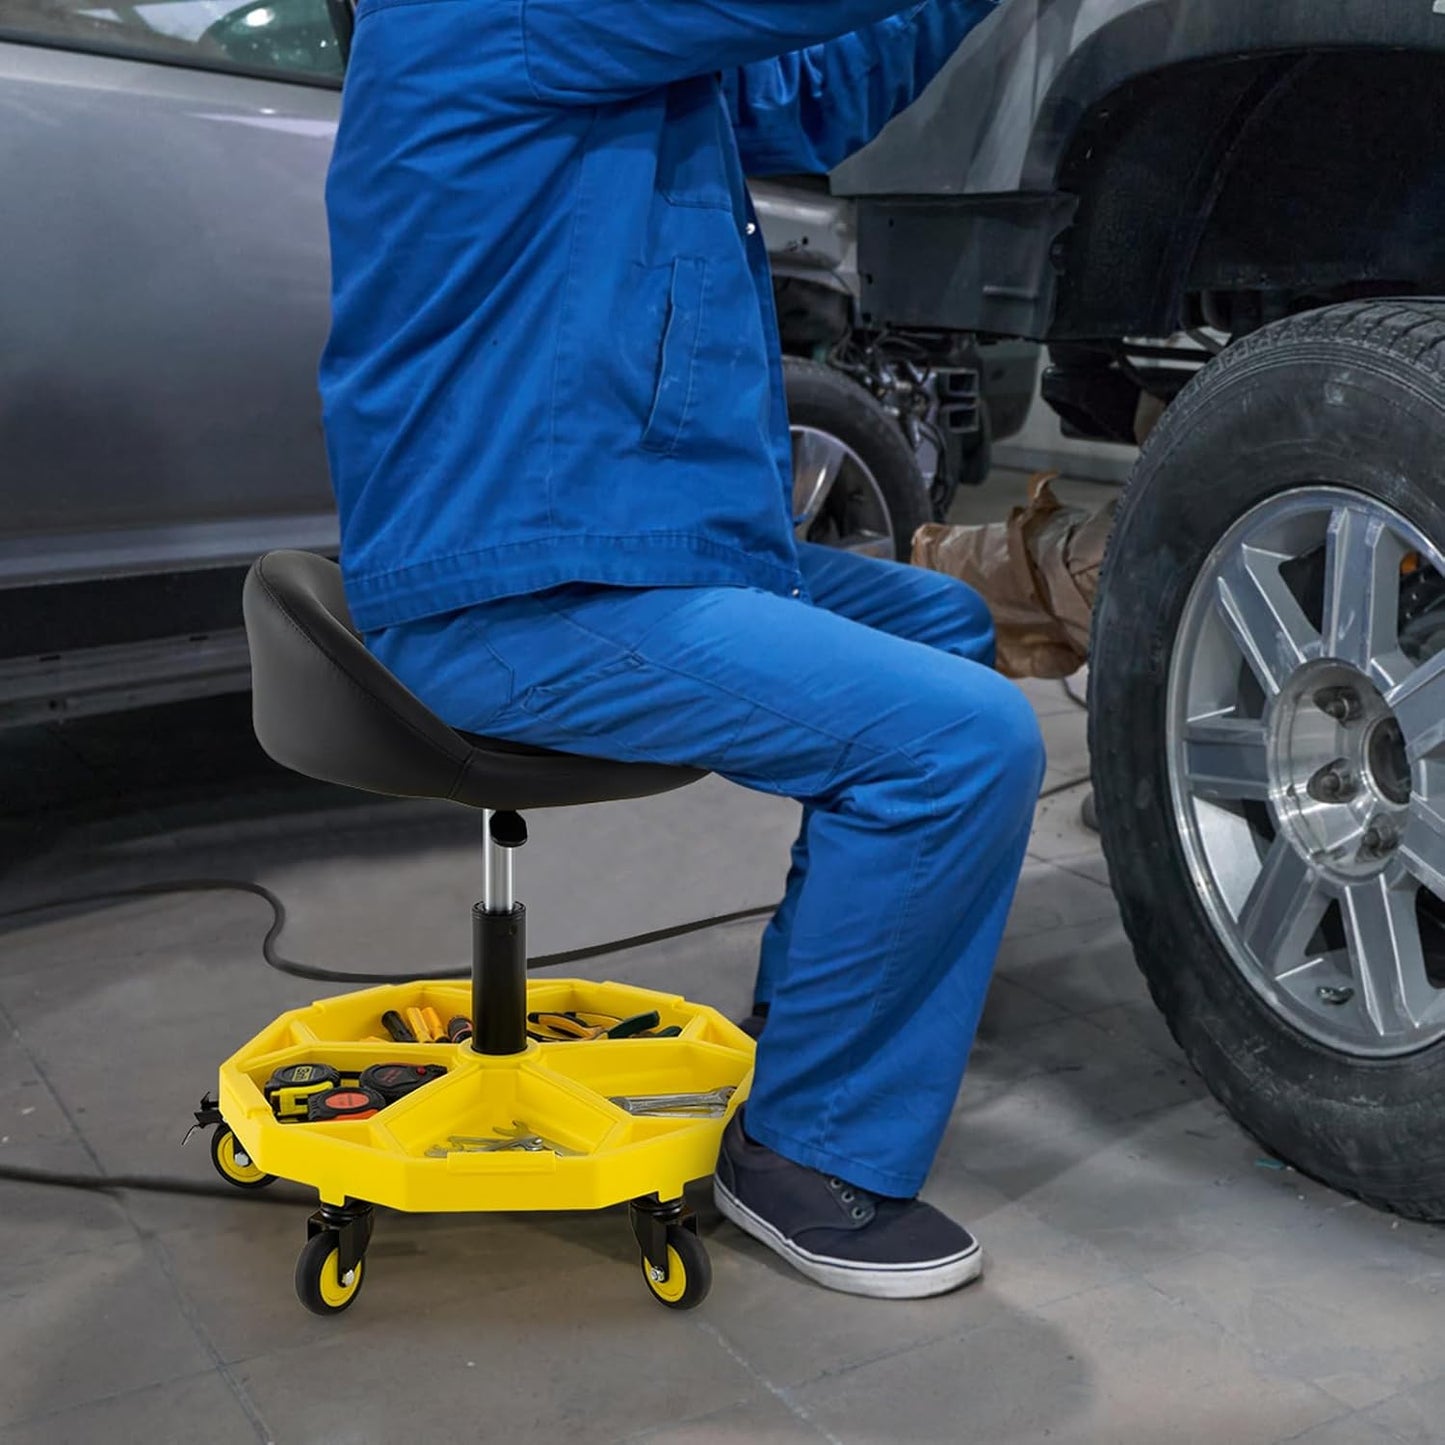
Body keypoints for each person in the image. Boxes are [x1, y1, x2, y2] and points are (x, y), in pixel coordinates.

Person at [320, 0, 1044, 1299]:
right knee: (962, 738)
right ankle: (806, 1158)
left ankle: (834, 1015)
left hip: (627, 542)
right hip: (517, 583)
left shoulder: (624, 60)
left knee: (939, 624)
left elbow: (814, 85)